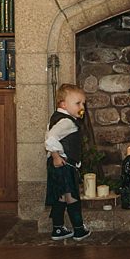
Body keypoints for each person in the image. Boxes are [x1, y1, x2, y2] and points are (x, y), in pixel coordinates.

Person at [44, 83, 91, 241]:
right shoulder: (67, 122)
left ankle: (58, 229)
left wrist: (54, 156)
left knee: (60, 195)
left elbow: (49, 134)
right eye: (78, 103)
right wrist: (57, 156)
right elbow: (50, 139)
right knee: (72, 196)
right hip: (64, 164)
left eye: (83, 103)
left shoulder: (56, 118)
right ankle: (79, 229)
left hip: (57, 164)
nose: (82, 106)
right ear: (63, 104)